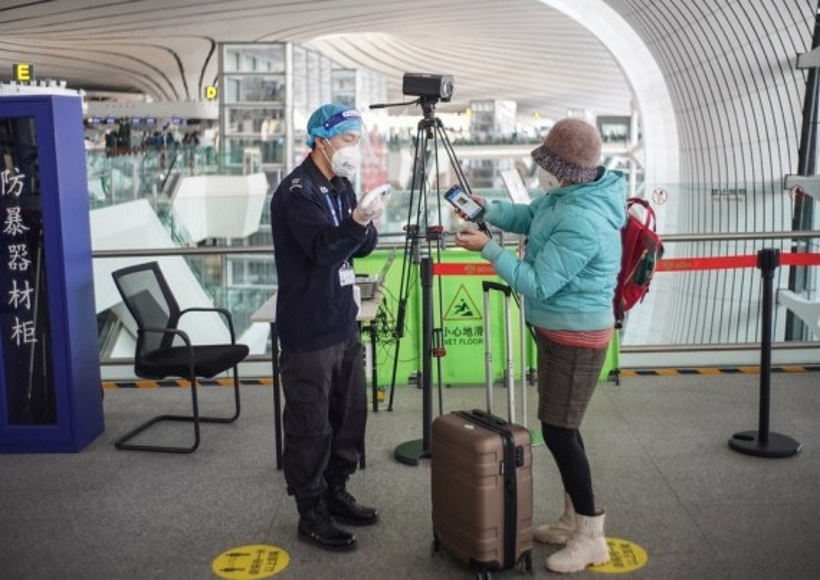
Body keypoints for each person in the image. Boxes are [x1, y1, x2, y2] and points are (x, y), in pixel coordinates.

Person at [453, 117, 626, 573]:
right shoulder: (569, 196)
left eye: (549, 165)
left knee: (559, 432)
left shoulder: (583, 219)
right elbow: (531, 216)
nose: (542, 172)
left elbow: (536, 284)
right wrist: (487, 209)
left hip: (577, 337)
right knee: (563, 427)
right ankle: (574, 520)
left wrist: (488, 249)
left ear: (566, 170)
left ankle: (591, 536)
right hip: (559, 330)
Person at [269, 103, 384, 552]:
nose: (356, 148)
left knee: (348, 415)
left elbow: (362, 247)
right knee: (310, 424)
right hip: (309, 327)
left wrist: (364, 220)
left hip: (342, 320)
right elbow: (323, 249)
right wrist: (357, 223)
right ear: (321, 140)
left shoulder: (341, 185)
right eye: (348, 139)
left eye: (358, 139)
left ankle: (337, 490)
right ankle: (311, 511)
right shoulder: (297, 192)